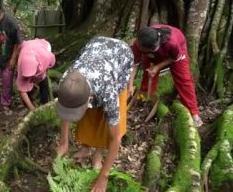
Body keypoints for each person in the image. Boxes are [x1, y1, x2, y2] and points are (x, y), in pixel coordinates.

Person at [56, 36, 133, 192]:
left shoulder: (108, 92)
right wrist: (64, 143)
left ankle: (97, 155)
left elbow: (115, 138)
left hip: (121, 57)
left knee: (104, 121)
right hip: (95, 46)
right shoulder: (67, 80)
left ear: (89, 98)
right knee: (89, 117)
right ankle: (86, 148)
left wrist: (103, 177)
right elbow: (66, 109)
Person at [128, 24, 203, 127]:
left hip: (176, 54)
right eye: (139, 46)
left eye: (141, 48)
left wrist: (158, 66)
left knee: (184, 80)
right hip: (153, 53)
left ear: (151, 47)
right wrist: (130, 85)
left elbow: (175, 58)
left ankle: (194, 112)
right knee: (148, 74)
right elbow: (134, 65)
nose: (139, 48)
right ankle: (145, 100)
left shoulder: (172, 43)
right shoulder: (140, 43)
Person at [16, 39, 56, 110]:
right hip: (28, 49)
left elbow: (50, 63)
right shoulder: (22, 66)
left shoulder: (47, 56)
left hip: (42, 45)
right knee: (25, 84)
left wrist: (42, 73)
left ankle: (44, 103)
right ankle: (29, 104)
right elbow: (21, 90)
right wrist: (32, 109)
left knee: (43, 79)